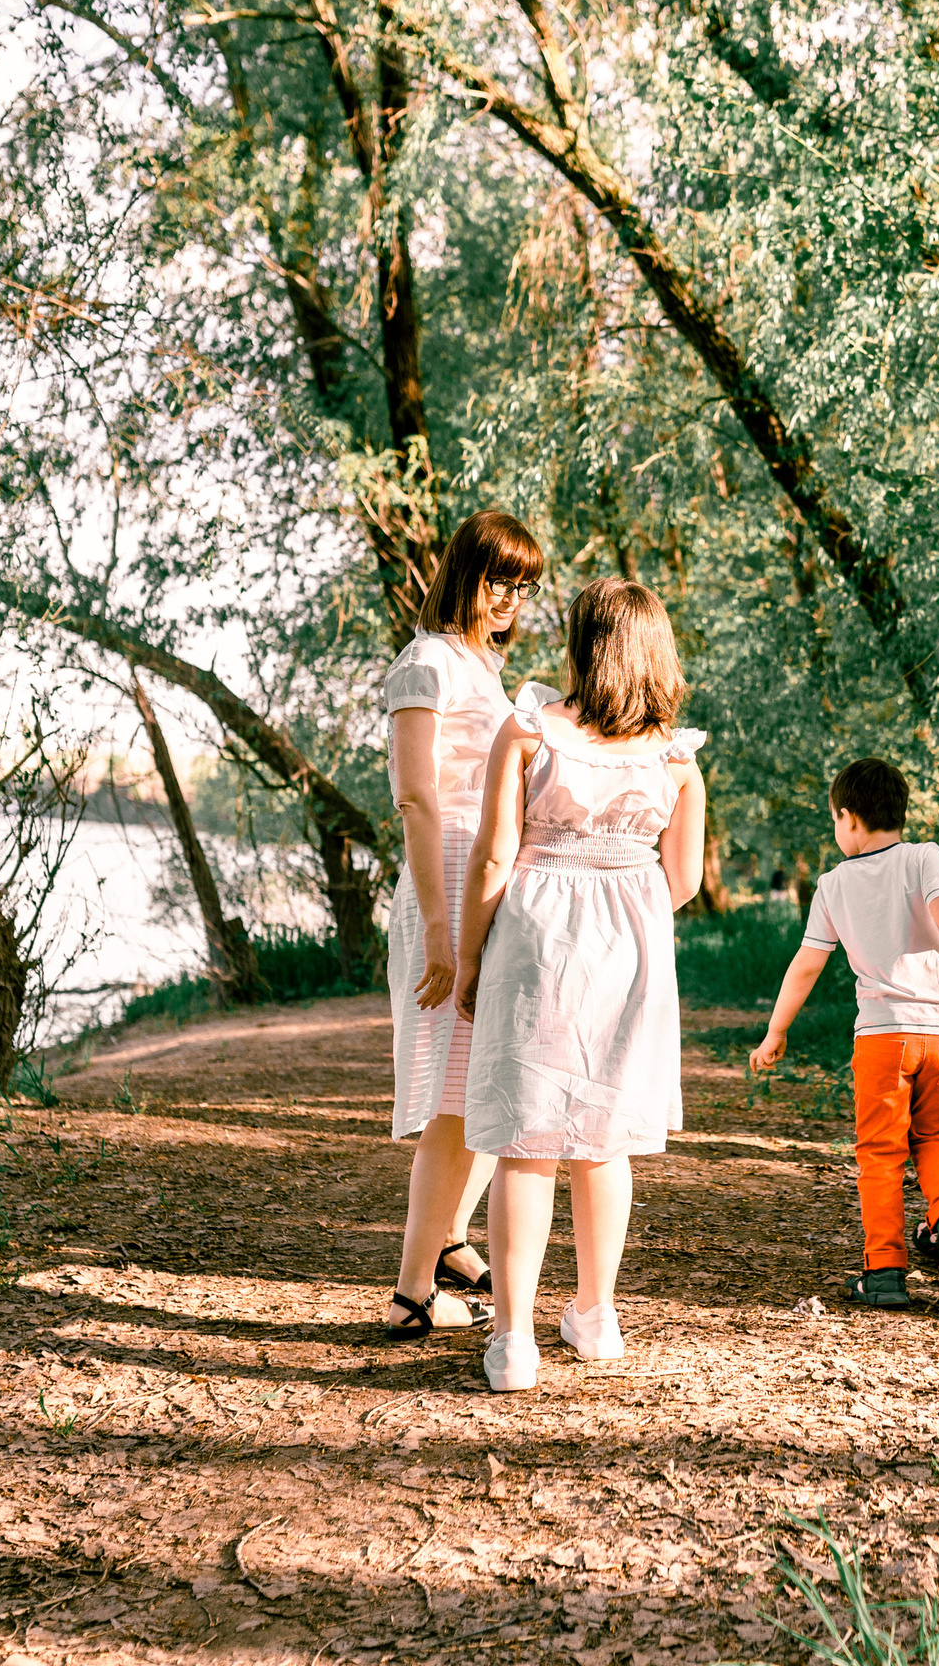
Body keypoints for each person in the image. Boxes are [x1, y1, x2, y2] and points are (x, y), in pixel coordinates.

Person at [454, 578, 707, 1393]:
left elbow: (493, 858)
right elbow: (687, 879)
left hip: (537, 942)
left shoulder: (528, 734)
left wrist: (469, 958)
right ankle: (595, 1315)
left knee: (527, 1142)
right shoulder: (675, 757)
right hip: (631, 943)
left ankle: (514, 1337)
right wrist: (624, 906)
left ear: (582, 646)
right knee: (603, 1138)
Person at [749, 758, 939, 1309]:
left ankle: (885, 1272)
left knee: (880, 1153)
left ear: (847, 818)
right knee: (938, 1136)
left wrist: (775, 1032)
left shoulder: (832, 884)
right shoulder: (925, 857)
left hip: (883, 1037)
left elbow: (806, 964)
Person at [379, 510, 548, 1339]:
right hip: (441, 874)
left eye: (524, 586)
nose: (511, 599)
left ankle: (446, 1244)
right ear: (465, 576)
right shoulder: (426, 664)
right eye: (498, 581)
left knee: (487, 1078)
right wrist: (444, 933)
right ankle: (413, 1293)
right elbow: (416, 797)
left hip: (488, 875)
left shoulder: (485, 667)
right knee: (456, 1093)